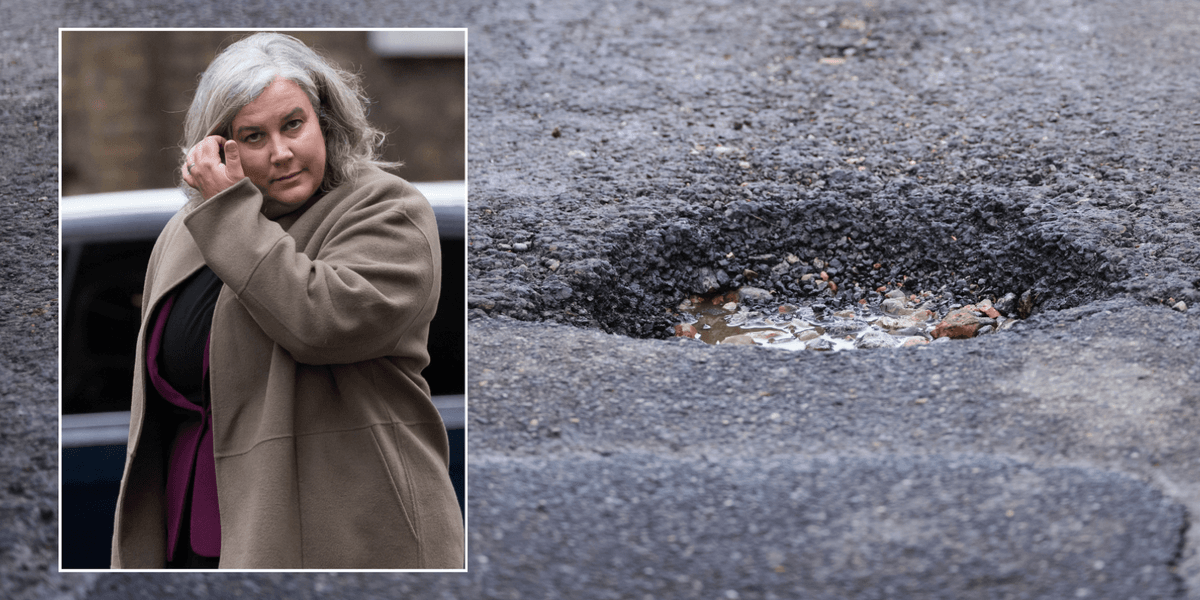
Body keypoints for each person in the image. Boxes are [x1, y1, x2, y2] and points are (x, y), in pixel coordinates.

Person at [110, 32, 464, 569]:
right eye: (254, 136)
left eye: (294, 124)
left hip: (350, 531)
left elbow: (319, 320)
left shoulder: (388, 210)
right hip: (197, 522)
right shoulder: (188, 231)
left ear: (325, 121)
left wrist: (228, 212)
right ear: (217, 148)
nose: (281, 152)